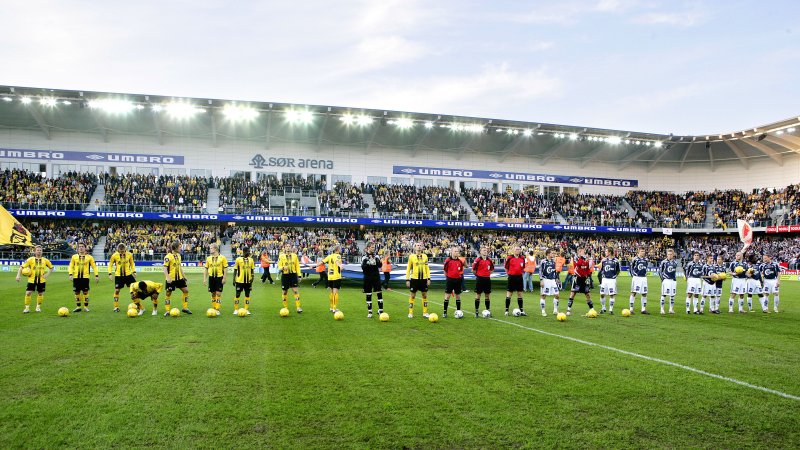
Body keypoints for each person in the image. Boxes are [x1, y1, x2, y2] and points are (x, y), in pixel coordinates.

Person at [16, 245, 53, 314]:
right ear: (35, 251)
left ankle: (38, 307)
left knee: (40, 293)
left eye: (40, 250)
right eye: (37, 250)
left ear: (42, 252)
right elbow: (21, 267)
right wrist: (18, 275)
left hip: (41, 280)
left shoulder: (45, 260)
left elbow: (51, 268)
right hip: (31, 280)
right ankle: (27, 308)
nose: (39, 251)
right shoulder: (30, 259)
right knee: (28, 293)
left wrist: (47, 274)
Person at [68, 242, 99, 313]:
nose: (81, 248)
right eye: (79, 247)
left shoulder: (89, 257)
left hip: (85, 277)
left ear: (85, 248)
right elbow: (71, 266)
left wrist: (96, 275)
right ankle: (78, 307)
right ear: (78, 248)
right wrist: (70, 274)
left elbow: (94, 267)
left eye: (82, 246)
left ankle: (85, 307)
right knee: (76, 292)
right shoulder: (74, 257)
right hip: (76, 277)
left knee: (85, 292)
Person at [163, 241, 191, 316]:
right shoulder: (168, 257)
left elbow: (179, 267)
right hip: (171, 279)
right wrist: (168, 278)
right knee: (168, 294)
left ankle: (185, 308)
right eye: (179, 247)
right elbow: (165, 269)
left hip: (179, 278)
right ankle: (167, 311)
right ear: (175, 248)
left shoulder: (179, 255)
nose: (180, 249)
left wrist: (184, 276)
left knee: (186, 291)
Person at [567, 247, 595, 316]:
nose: (583, 252)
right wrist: (582, 258)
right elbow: (578, 264)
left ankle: (592, 309)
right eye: (581, 251)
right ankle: (568, 309)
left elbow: (589, 266)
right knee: (573, 293)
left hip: (584, 279)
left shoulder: (586, 258)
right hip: (577, 278)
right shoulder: (575, 258)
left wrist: (590, 259)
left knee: (587, 294)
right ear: (578, 252)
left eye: (583, 251)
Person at [108, 243, 136, 312]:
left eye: (123, 251)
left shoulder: (129, 254)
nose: (122, 252)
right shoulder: (114, 255)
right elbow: (110, 264)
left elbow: (132, 263)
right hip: (118, 276)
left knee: (134, 290)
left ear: (125, 249)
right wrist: (110, 273)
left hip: (128, 275)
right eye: (120, 251)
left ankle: (137, 305)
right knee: (117, 290)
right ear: (118, 250)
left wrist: (134, 271)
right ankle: (116, 307)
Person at [405, 242, 431, 318]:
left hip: (423, 279)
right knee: (412, 296)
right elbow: (408, 268)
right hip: (414, 279)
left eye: (420, 245)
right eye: (417, 245)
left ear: (422, 247)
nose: (419, 247)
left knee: (424, 295)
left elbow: (427, 268)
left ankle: (425, 313)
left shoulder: (425, 256)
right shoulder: (411, 257)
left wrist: (428, 278)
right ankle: (410, 313)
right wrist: (407, 279)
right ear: (415, 247)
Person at [204, 243, 228, 316]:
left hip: (219, 277)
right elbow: (206, 268)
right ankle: (214, 308)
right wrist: (204, 279)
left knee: (218, 293)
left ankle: (217, 309)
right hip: (211, 278)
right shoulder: (208, 258)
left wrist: (224, 277)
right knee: (213, 293)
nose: (210, 249)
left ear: (215, 249)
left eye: (211, 248)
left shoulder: (222, 258)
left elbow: (226, 268)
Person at [361, 243, 384, 318]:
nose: (373, 248)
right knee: (368, 294)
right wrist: (368, 263)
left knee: (379, 293)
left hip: (376, 277)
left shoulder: (376, 256)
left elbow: (380, 265)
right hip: (367, 277)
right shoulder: (364, 257)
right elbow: (363, 267)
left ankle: (381, 310)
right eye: (372, 247)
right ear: (368, 247)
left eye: (374, 247)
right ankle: (370, 311)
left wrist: (378, 262)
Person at [277, 244, 302, 313]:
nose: (288, 248)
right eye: (286, 246)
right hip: (285, 275)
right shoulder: (281, 256)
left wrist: (299, 275)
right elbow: (279, 266)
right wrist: (283, 268)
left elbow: (297, 266)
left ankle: (298, 307)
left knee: (295, 291)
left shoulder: (294, 256)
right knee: (284, 292)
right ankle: (285, 308)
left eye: (289, 246)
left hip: (293, 275)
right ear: (284, 248)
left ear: (291, 248)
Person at [442, 247, 465, 318]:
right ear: (451, 252)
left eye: (457, 251)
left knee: (458, 296)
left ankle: (458, 311)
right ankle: (445, 312)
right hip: (450, 280)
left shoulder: (460, 261)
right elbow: (445, 271)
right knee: (447, 296)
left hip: (458, 280)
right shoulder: (448, 260)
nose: (456, 252)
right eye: (455, 251)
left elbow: (461, 271)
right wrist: (448, 278)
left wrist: (459, 277)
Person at [233, 246, 256, 315]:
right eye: (247, 251)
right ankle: (236, 309)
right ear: (244, 251)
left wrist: (252, 277)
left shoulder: (251, 260)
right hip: (239, 280)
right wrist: (234, 279)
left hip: (248, 281)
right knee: (237, 294)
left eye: (249, 251)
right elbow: (235, 270)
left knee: (247, 294)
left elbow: (252, 270)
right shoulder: (238, 259)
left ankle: (246, 309)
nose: (249, 253)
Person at [504, 245, 526, 316]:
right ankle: (506, 310)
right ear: (513, 250)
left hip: (519, 277)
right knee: (509, 294)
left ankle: (522, 310)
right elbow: (506, 267)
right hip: (511, 277)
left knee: (520, 294)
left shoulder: (522, 258)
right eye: (516, 249)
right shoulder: (510, 257)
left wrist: (520, 273)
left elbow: (523, 267)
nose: (518, 250)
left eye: (519, 249)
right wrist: (509, 275)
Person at [472, 246, 494, 318]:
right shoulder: (477, 260)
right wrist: (479, 275)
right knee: (478, 295)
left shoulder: (489, 260)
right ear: (480, 252)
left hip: (487, 279)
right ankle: (476, 311)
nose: (485, 251)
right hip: (480, 279)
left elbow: (492, 269)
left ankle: (488, 310)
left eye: (486, 250)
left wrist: (487, 274)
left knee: (487, 296)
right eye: (484, 250)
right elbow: (473, 270)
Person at [539, 248, 560, 317]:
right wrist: (541, 280)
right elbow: (540, 271)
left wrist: (557, 278)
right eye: (552, 253)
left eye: (554, 253)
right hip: (546, 280)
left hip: (553, 280)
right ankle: (543, 311)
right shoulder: (543, 261)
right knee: (543, 295)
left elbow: (555, 271)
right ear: (548, 254)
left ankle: (555, 310)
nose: (553, 254)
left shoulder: (554, 261)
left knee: (557, 295)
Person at [599, 248, 620, 314]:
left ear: (610, 252)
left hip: (612, 280)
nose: (605, 252)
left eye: (606, 251)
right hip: (604, 280)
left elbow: (618, 270)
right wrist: (603, 274)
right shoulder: (604, 260)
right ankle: (603, 307)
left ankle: (611, 310)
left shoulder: (616, 261)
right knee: (602, 294)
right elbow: (602, 269)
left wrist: (614, 276)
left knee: (611, 294)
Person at [628, 248, 649, 314]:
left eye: (644, 251)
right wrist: (634, 276)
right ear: (638, 252)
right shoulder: (635, 259)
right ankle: (631, 309)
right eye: (642, 251)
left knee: (644, 293)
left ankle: (643, 309)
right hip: (636, 278)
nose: (643, 252)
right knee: (634, 292)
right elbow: (631, 268)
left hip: (644, 278)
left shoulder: (646, 260)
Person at [324, 245, 344, 313]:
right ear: (338, 249)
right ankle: (334, 308)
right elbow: (337, 261)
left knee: (331, 292)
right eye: (340, 248)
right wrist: (340, 265)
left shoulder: (329, 256)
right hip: (336, 276)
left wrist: (314, 266)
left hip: (330, 277)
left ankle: (331, 307)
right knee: (335, 292)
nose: (341, 249)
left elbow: (322, 262)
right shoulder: (338, 256)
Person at [658, 249, 678, 315]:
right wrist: (662, 279)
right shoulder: (664, 262)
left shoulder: (675, 262)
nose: (669, 255)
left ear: (673, 255)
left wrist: (675, 279)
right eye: (668, 254)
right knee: (664, 295)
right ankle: (662, 309)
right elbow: (660, 271)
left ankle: (671, 309)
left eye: (671, 254)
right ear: (667, 255)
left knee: (672, 296)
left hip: (673, 281)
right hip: (666, 280)